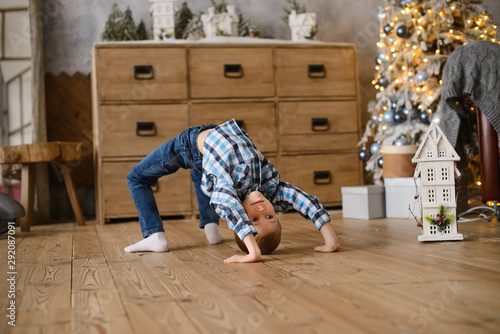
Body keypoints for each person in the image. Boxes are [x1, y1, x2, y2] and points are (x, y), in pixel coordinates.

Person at [124, 119, 339, 263]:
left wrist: (253, 252)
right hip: (214, 138)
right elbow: (304, 201)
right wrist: (330, 239)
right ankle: (211, 230)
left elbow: (228, 204)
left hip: (188, 145)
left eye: (254, 219)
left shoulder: (229, 191)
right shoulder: (271, 190)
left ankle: (154, 235)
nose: (262, 208)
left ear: (242, 220)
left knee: (136, 178)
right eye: (270, 216)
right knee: (202, 176)